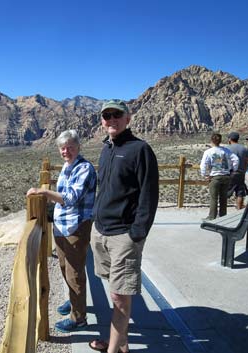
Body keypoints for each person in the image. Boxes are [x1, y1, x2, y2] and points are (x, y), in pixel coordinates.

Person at [88, 100, 159, 353]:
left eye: (117, 115)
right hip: (101, 232)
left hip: (124, 235)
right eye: (107, 115)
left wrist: (137, 234)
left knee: (119, 296)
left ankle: (113, 350)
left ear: (128, 119)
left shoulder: (139, 149)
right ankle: (121, 343)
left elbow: (149, 195)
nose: (111, 119)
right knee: (114, 290)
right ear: (102, 121)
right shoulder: (106, 149)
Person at [26, 129, 96, 332]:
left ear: (78, 147)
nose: (66, 151)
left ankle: (79, 318)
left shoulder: (84, 168)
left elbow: (70, 198)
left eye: (70, 147)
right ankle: (75, 302)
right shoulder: (67, 166)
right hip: (62, 226)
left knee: (75, 272)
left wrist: (43, 191)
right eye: (63, 148)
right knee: (65, 267)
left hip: (76, 227)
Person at [200, 133, 239, 220]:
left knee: (214, 198)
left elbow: (203, 165)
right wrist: (233, 170)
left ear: (211, 140)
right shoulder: (226, 150)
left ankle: (212, 217)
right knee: (223, 198)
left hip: (215, 176)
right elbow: (235, 159)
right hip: (226, 176)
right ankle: (223, 216)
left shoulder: (208, 152)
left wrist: (205, 175)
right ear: (220, 141)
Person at [227, 132, 248, 209]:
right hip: (240, 173)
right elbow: (247, 161)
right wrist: (244, 170)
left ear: (230, 139)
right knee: (240, 193)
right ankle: (239, 209)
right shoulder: (244, 149)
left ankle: (221, 211)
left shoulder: (227, 149)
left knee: (225, 192)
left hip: (230, 172)